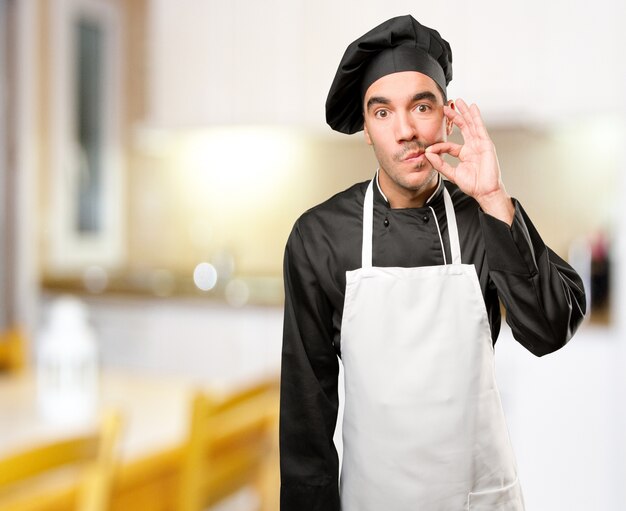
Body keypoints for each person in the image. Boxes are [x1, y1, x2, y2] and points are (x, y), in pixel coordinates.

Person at [279, 15, 586, 511]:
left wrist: (492, 196)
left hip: (480, 499)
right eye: (382, 112)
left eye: (421, 106)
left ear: (446, 116)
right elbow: (306, 416)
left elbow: (550, 330)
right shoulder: (320, 237)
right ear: (366, 130)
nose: (405, 131)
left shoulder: (484, 216)